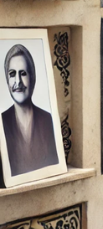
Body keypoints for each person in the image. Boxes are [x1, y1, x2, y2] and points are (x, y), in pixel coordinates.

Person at [1, 44, 59, 176]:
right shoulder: (2, 121)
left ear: (32, 77)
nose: (18, 81)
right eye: (12, 74)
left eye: (23, 73)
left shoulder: (48, 119)